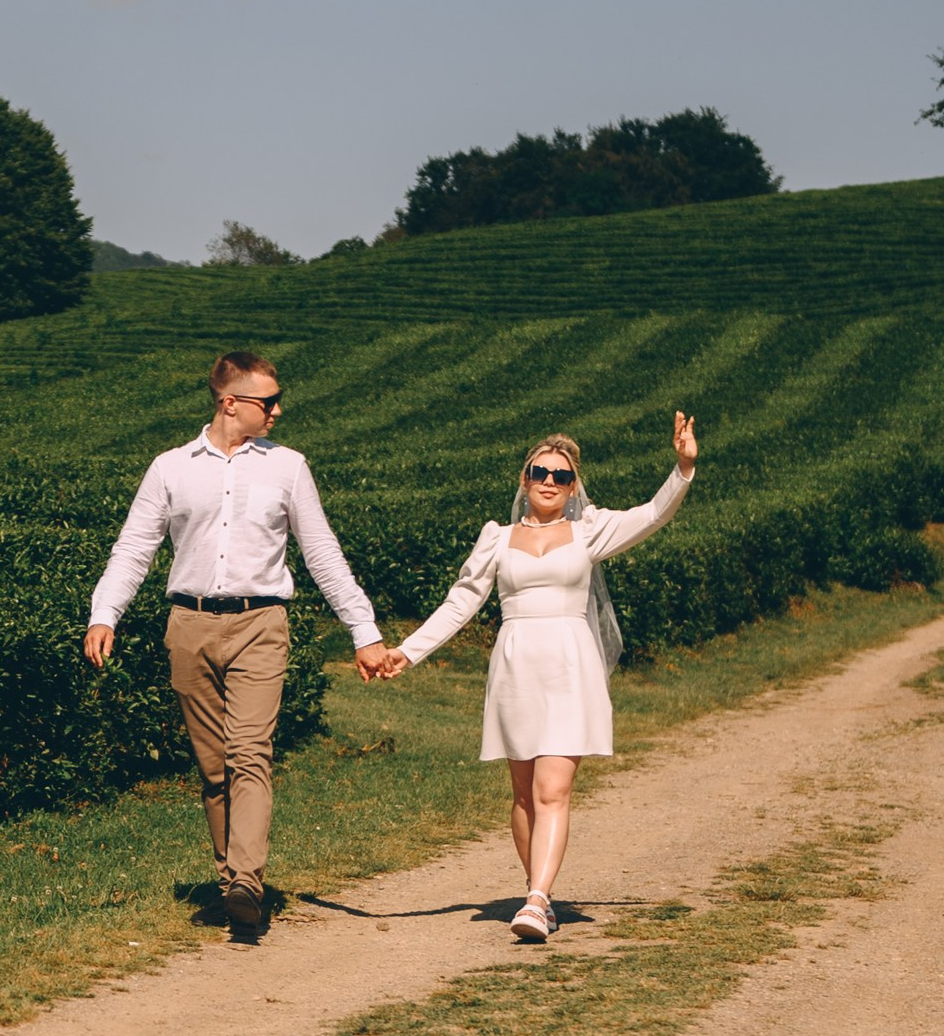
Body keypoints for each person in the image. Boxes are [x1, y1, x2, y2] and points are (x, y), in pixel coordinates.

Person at [85, 352, 389, 935]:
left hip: (261, 624)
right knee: (213, 766)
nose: (277, 411)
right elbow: (134, 548)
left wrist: (363, 630)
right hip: (189, 625)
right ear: (230, 403)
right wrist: (106, 614)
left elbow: (322, 552)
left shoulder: (289, 467)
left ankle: (247, 881)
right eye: (267, 401)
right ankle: (233, 887)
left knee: (250, 753)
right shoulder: (170, 468)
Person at [380, 414, 699, 942]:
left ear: (574, 486)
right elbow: (460, 603)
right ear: (524, 479)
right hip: (516, 667)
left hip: (571, 664)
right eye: (540, 472)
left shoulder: (590, 530)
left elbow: (653, 514)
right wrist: (407, 653)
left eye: (561, 475)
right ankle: (539, 891)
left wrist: (683, 466)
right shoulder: (496, 538)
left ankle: (536, 900)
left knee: (553, 789)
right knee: (525, 794)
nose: (550, 481)